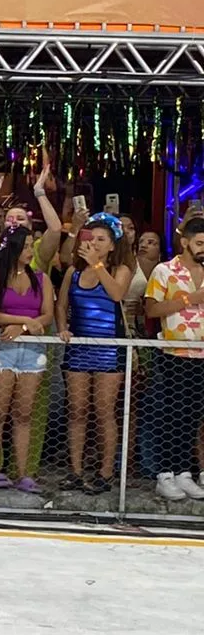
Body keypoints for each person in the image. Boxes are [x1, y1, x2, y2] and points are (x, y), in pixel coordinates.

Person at [55, 213, 134, 494]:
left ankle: (105, 472)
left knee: (104, 412)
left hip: (109, 350)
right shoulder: (72, 272)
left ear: (113, 245)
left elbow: (115, 294)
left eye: (102, 240)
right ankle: (75, 471)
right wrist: (63, 328)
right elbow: (62, 305)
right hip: (78, 348)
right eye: (92, 238)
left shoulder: (121, 268)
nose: (96, 243)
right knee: (76, 411)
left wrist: (97, 265)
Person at [0, 226, 56, 493]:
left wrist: (23, 328)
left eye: (32, 245)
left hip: (32, 350)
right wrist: (23, 321)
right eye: (25, 246)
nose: (30, 250)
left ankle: (23, 473)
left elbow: (47, 315)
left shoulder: (41, 278)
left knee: (23, 414)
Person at [143, 216, 204, 501]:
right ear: (185, 242)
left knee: (194, 416)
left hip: (203, 353)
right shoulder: (164, 271)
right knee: (172, 414)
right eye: (200, 243)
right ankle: (164, 474)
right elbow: (151, 310)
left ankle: (184, 472)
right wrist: (189, 299)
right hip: (175, 352)